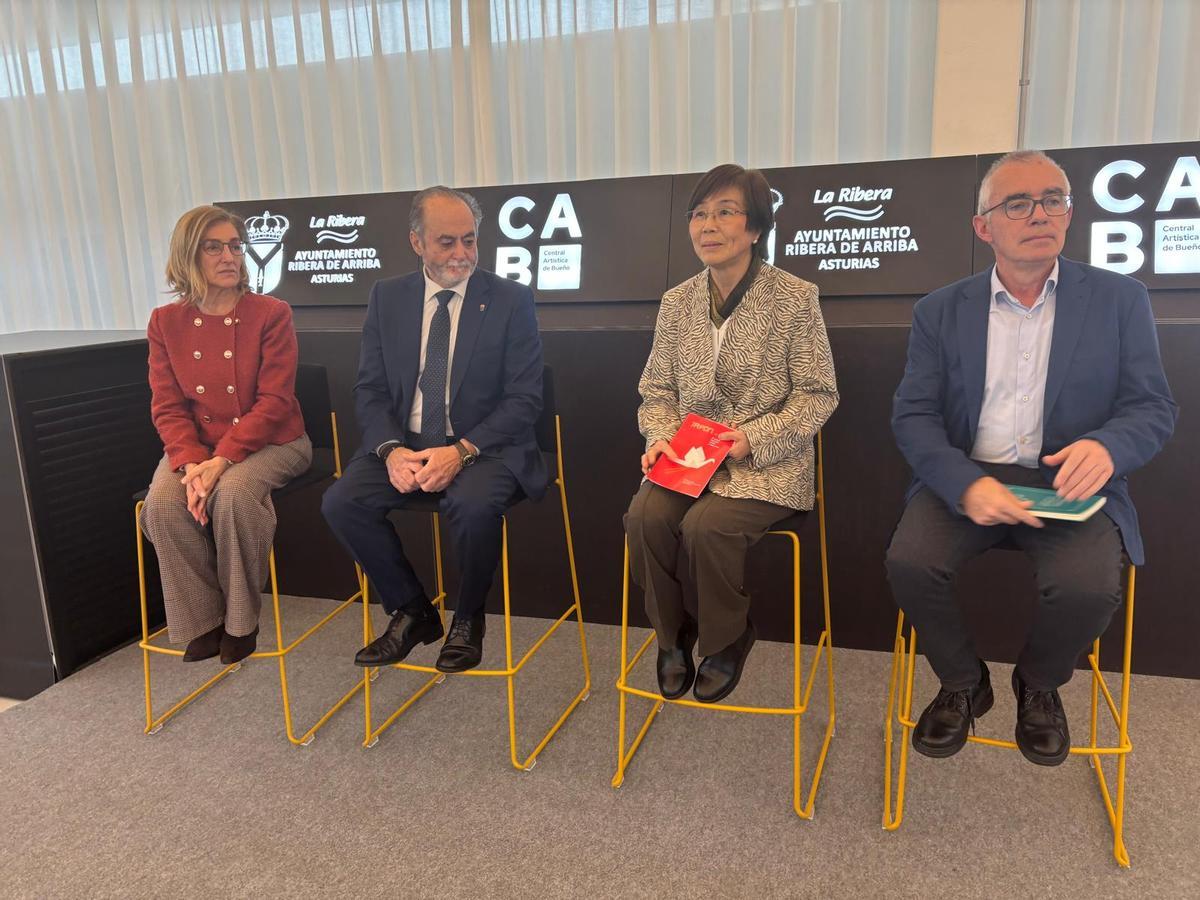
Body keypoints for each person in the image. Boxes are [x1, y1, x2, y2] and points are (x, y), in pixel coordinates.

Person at [887, 150, 1177, 766]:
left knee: (1088, 588)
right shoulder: (940, 310)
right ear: (983, 227)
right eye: (1017, 203)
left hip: (1066, 484)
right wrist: (963, 484)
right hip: (969, 477)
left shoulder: (1120, 299)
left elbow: (1152, 406)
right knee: (910, 563)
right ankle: (963, 682)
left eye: (1053, 199)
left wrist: (1107, 446)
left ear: (1069, 214)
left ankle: (1039, 683)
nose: (1039, 214)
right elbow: (914, 416)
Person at [624, 164, 839, 704]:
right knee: (644, 517)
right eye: (699, 214)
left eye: (725, 212)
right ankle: (672, 636)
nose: (708, 226)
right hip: (689, 457)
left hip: (765, 462)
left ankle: (727, 638)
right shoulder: (676, 301)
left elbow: (817, 394)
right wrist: (659, 437)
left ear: (756, 227)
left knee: (707, 527)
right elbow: (657, 390)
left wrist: (754, 438)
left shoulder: (794, 297)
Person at [321, 186, 545, 674]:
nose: (461, 253)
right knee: (342, 502)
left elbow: (524, 399)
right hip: (406, 443)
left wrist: (460, 451)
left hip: (486, 446)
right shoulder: (387, 297)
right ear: (416, 242)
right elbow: (371, 389)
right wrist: (390, 451)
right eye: (447, 242)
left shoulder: (510, 300)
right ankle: (412, 610)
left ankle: (468, 618)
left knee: (472, 505)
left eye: (470, 240)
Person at [140, 205, 311, 665]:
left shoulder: (271, 313)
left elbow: (275, 401)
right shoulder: (165, 322)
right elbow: (168, 406)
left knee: (233, 494)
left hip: (275, 441)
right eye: (213, 247)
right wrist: (191, 463)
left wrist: (222, 460)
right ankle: (203, 620)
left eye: (235, 246)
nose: (229, 256)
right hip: (197, 446)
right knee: (163, 503)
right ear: (188, 255)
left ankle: (240, 622)